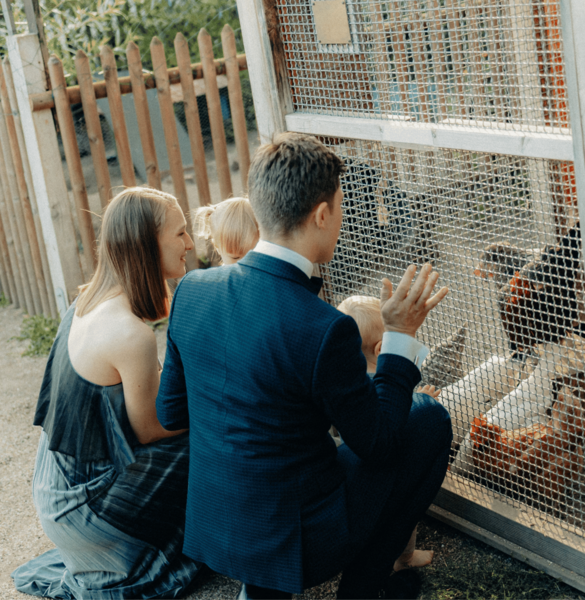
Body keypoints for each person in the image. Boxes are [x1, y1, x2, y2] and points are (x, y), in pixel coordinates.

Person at [156, 132, 452, 600]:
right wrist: (399, 338)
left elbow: (171, 414)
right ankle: (365, 589)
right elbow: (379, 445)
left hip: (216, 530)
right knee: (429, 417)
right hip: (297, 542)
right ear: (321, 214)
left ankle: (262, 592)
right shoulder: (325, 328)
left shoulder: (192, 292)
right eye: (340, 207)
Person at [12, 188, 201, 599]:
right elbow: (151, 430)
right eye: (181, 233)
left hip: (55, 492)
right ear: (146, 246)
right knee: (213, 440)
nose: (191, 244)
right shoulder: (129, 333)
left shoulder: (86, 302)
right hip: (85, 512)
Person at [336, 295, 439, 572]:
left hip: (355, 471)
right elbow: (396, 419)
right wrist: (421, 401)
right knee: (402, 515)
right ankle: (404, 559)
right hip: (387, 468)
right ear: (383, 349)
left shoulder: (346, 382)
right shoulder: (382, 386)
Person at [193, 197, 260, 265]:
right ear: (217, 247)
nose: (247, 264)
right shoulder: (220, 275)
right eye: (236, 258)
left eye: (254, 255)